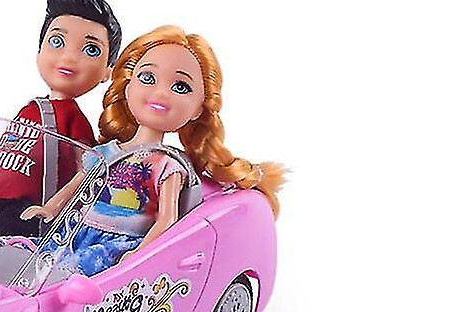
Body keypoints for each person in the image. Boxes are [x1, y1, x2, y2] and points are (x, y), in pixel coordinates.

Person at [22, 26, 286, 275]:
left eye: (180, 87)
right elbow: (76, 186)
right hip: (74, 232)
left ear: (198, 108)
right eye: (148, 78)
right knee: (30, 266)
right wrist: (50, 209)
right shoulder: (106, 152)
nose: (161, 93)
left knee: (70, 283)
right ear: (128, 87)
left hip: (115, 247)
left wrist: (139, 254)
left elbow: (166, 219)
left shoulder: (168, 165)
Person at [0, 0, 122, 247]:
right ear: (39, 51)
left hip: (25, 208)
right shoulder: (30, 109)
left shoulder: (73, 119)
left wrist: (53, 207)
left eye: (90, 50)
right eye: (57, 42)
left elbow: (86, 170)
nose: (68, 57)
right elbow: (0, 145)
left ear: (107, 72)